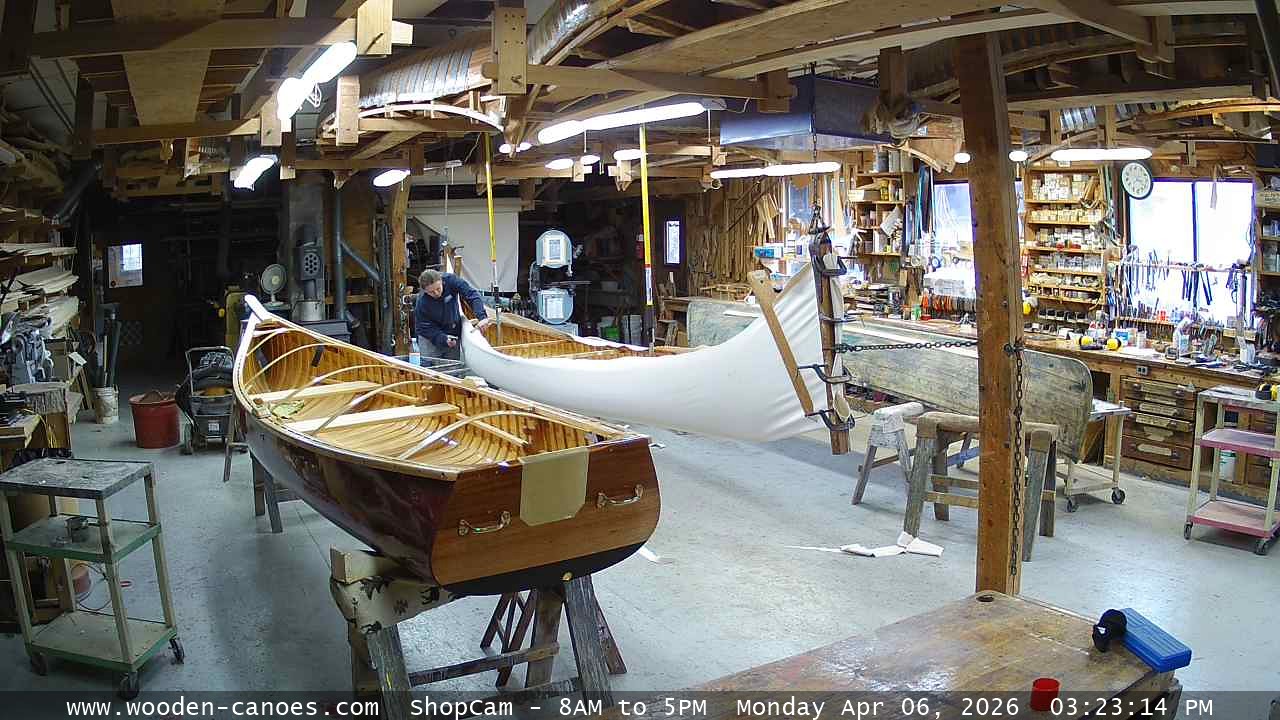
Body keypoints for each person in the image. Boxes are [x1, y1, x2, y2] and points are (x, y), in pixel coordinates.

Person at [414, 269, 492, 363]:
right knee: (431, 368)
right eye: (431, 292)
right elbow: (424, 327)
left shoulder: (451, 280)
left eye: (438, 288)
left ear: (442, 281)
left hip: (452, 331)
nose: (436, 293)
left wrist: (482, 317)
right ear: (425, 291)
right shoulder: (422, 302)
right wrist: (443, 339)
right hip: (430, 337)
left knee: (453, 366)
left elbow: (471, 294)